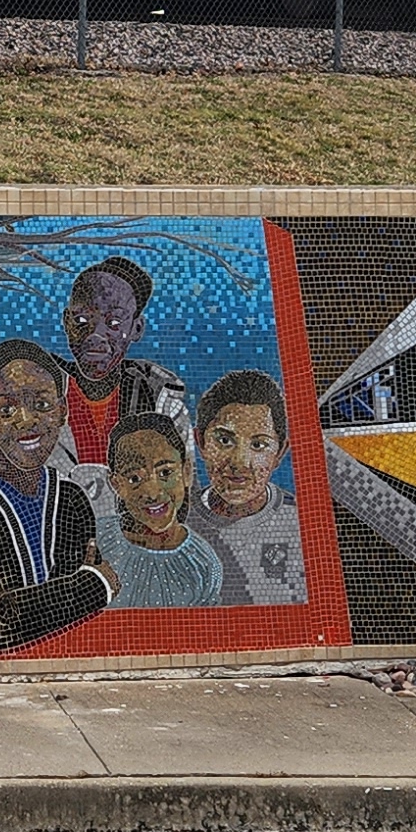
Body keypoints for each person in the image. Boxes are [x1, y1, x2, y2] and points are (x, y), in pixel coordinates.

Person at [0, 340, 114, 652]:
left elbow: (69, 609)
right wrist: (95, 586)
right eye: (6, 409)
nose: (26, 420)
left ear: (62, 412)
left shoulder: (71, 498)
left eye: (42, 405)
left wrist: (60, 597)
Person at [49, 257, 188, 489]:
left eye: (114, 323)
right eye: (81, 319)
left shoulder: (160, 400)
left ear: (136, 329)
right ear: (66, 321)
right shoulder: (41, 391)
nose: (95, 334)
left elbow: (182, 488)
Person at [189, 369, 307, 605]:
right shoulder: (178, 522)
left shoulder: (301, 524)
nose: (239, 461)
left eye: (258, 444)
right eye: (224, 440)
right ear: (201, 442)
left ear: (279, 453)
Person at [97, 410, 229, 609]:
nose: (152, 492)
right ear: (116, 485)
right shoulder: (96, 540)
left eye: (165, 472)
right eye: (134, 478)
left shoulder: (203, 565)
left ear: (186, 473)